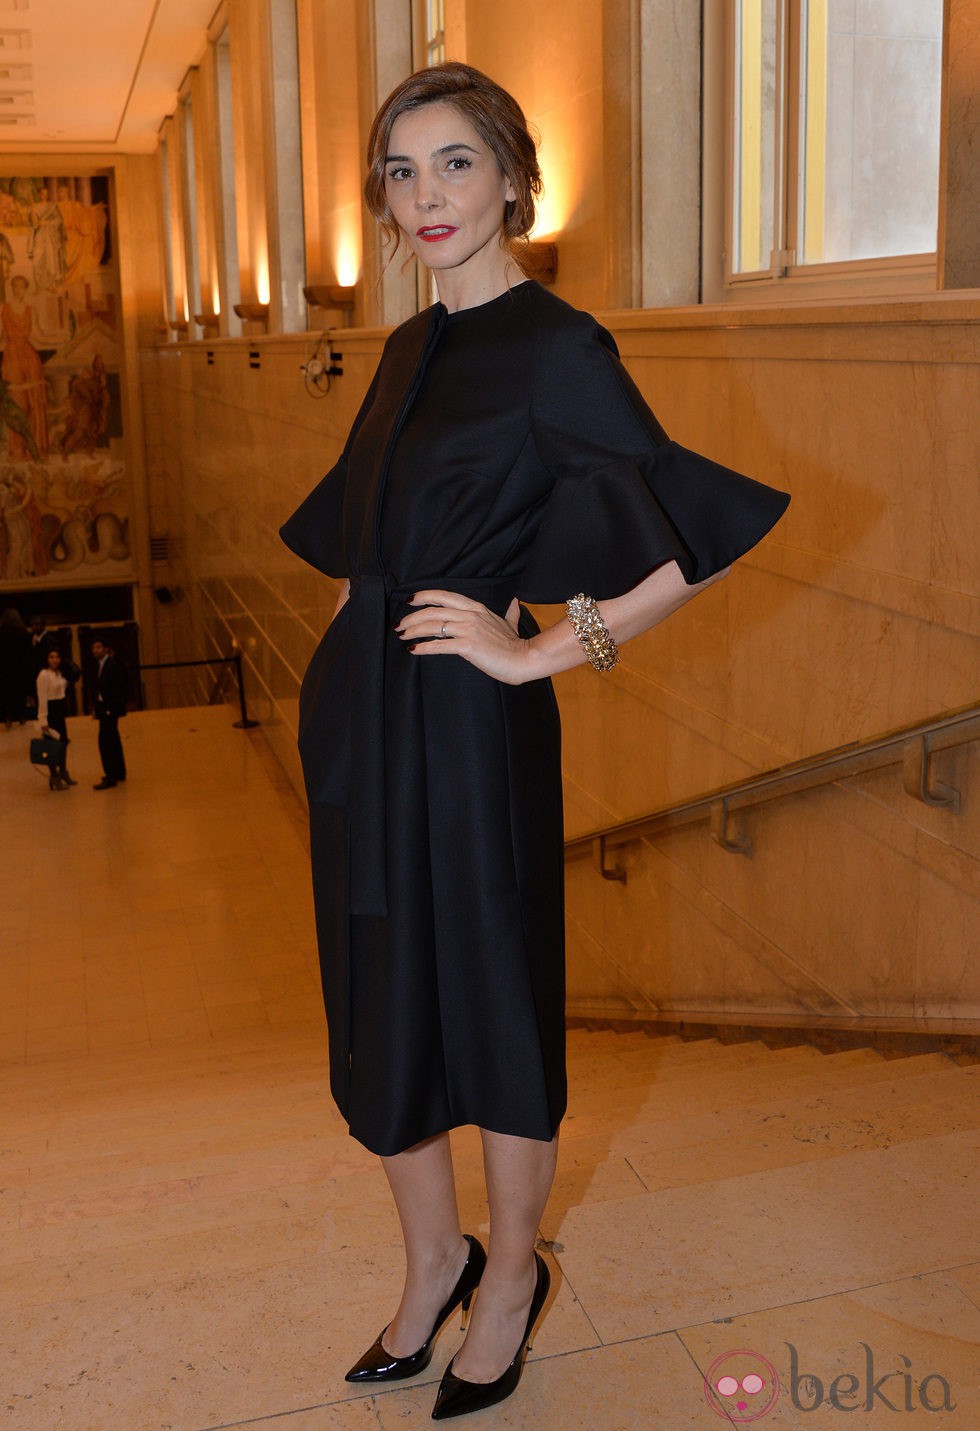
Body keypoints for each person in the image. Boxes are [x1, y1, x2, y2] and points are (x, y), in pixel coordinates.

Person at [280, 62, 790, 1421]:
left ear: (512, 179)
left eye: (455, 163)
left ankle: (511, 1271)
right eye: (400, 170)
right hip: (366, 727)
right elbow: (355, 545)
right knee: (380, 991)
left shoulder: (559, 347)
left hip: (472, 729)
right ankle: (429, 1257)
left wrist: (540, 647)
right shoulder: (399, 350)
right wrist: (333, 691)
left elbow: (683, 543)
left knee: (493, 989)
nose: (426, 194)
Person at [35, 645, 76, 790]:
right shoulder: (44, 675)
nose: (55, 660)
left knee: (63, 742)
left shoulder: (60, 673)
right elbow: (42, 698)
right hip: (50, 711)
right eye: (51, 657)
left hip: (60, 710)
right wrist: (43, 720)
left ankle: (63, 771)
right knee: (51, 745)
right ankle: (54, 775)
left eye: (57, 657)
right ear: (46, 659)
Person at [91, 637, 126, 789]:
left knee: (105, 742)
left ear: (105, 648)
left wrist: (109, 709)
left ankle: (110, 776)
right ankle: (119, 771)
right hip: (105, 708)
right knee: (113, 739)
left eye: (98, 647)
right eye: (94, 648)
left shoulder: (111, 665)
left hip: (109, 709)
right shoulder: (102, 665)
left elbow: (116, 689)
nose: (95, 650)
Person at [0, 606, 32, 728]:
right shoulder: (23, 631)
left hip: (4, 669)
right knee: (20, 693)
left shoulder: (1, 631)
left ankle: (8, 717)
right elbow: (28, 652)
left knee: (6, 693)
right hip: (20, 668)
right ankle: (22, 716)